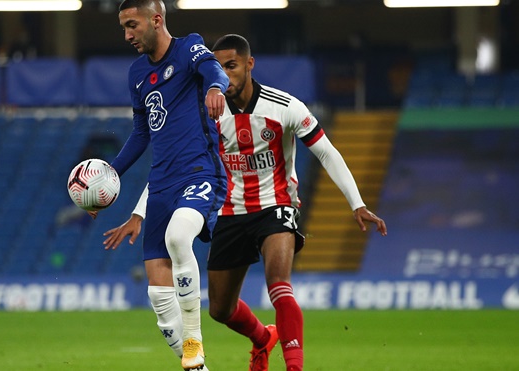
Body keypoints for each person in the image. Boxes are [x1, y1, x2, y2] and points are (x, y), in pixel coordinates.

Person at [105, 34, 388, 371]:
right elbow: (174, 168)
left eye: (231, 66)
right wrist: (139, 212)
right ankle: (262, 338)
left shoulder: (285, 106)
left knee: (279, 286)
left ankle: (294, 367)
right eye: (219, 68)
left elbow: (326, 151)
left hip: (276, 205)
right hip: (228, 210)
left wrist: (356, 203)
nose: (224, 75)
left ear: (249, 65)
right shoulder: (206, 113)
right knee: (220, 310)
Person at [98, 1, 229, 370]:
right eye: (123, 27)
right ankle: (198, 367)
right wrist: (109, 176)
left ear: (156, 20)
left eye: (132, 24)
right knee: (159, 299)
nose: (126, 34)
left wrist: (216, 89)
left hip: (201, 173)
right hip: (161, 187)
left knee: (177, 238)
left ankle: (194, 343)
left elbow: (213, 69)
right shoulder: (137, 73)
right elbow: (141, 135)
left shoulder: (189, 47)